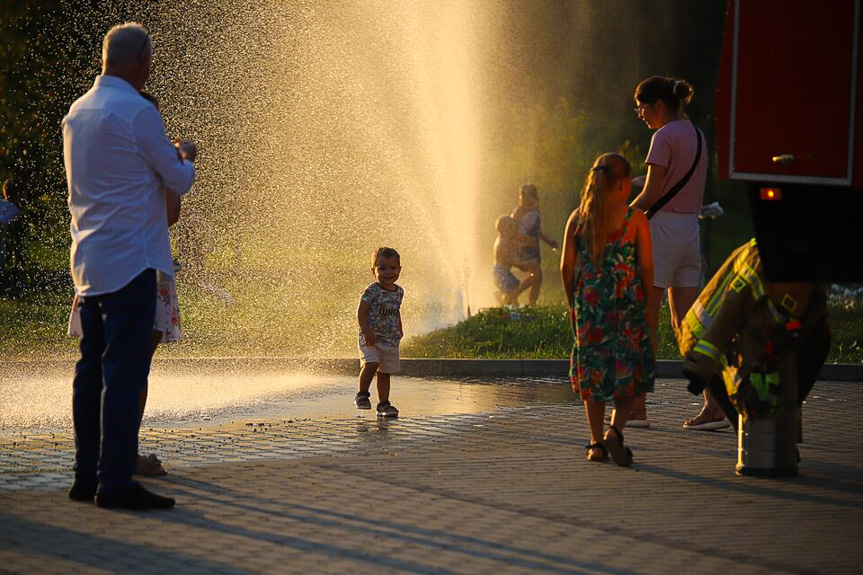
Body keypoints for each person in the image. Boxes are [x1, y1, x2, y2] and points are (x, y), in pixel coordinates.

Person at [63, 22, 197, 509]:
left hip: (90, 258)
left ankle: (85, 475)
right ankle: (115, 482)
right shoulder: (138, 112)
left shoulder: (77, 112)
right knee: (124, 371)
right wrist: (187, 154)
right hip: (134, 261)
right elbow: (178, 179)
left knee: (90, 371)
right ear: (141, 61)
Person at [67, 91, 180, 477]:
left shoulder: (98, 148)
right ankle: (122, 457)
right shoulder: (152, 161)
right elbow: (169, 215)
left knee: (96, 367)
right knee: (133, 371)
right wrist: (179, 164)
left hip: (97, 265)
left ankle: (96, 459)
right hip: (144, 267)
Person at [629, 75, 722, 430]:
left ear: (659, 105)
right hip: (689, 233)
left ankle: (637, 408)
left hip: (662, 233)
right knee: (687, 324)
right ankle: (714, 404)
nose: (641, 115)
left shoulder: (663, 136)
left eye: (642, 109)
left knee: (645, 321)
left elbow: (652, 197)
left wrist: (619, 220)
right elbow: (677, 184)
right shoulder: (697, 135)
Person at [561, 153, 656, 466]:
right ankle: (615, 430)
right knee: (628, 373)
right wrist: (645, 304)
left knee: (594, 375)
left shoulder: (578, 218)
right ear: (626, 183)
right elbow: (646, 268)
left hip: (590, 306)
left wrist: (573, 303)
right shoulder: (635, 219)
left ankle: (596, 443)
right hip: (626, 305)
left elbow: (566, 267)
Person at [354, 247, 404, 418]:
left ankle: (383, 404)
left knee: (384, 371)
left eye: (392, 268)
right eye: (382, 268)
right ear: (373, 271)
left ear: (399, 269)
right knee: (372, 363)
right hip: (370, 337)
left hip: (389, 339)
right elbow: (361, 312)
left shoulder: (399, 292)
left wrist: (399, 328)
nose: (388, 272)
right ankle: (362, 394)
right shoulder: (372, 290)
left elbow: (395, 310)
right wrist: (366, 331)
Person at [511, 183, 559, 306]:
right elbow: (512, 231)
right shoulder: (518, 212)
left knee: (538, 278)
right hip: (523, 248)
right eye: (521, 195)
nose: (522, 198)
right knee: (536, 275)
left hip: (533, 248)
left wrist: (549, 241)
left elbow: (538, 231)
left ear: (532, 197)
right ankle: (514, 294)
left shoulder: (535, 211)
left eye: (525, 195)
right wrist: (525, 239)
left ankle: (532, 303)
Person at [492, 215, 531, 306]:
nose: (515, 231)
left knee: (514, 288)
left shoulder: (503, 240)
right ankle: (509, 303)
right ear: (506, 230)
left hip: (501, 271)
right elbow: (509, 259)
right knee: (513, 291)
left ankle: (504, 298)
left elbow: (514, 249)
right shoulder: (504, 242)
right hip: (501, 272)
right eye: (513, 229)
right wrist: (521, 264)